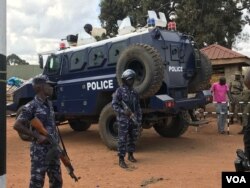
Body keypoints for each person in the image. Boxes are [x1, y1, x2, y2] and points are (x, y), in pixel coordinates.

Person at [13, 77, 62, 188]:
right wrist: (37, 136)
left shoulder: (49, 104)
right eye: (49, 85)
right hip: (40, 151)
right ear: (40, 87)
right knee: (37, 182)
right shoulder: (31, 106)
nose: (51, 87)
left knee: (57, 181)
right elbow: (17, 125)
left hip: (53, 148)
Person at [112, 69, 142, 169]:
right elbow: (114, 105)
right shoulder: (119, 91)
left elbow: (137, 107)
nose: (131, 81)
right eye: (129, 79)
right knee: (122, 140)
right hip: (123, 120)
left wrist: (138, 118)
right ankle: (121, 159)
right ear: (124, 80)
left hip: (133, 119)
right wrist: (123, 112)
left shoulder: (134, 92)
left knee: (133, 137)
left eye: (132, 79)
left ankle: (130, 155)